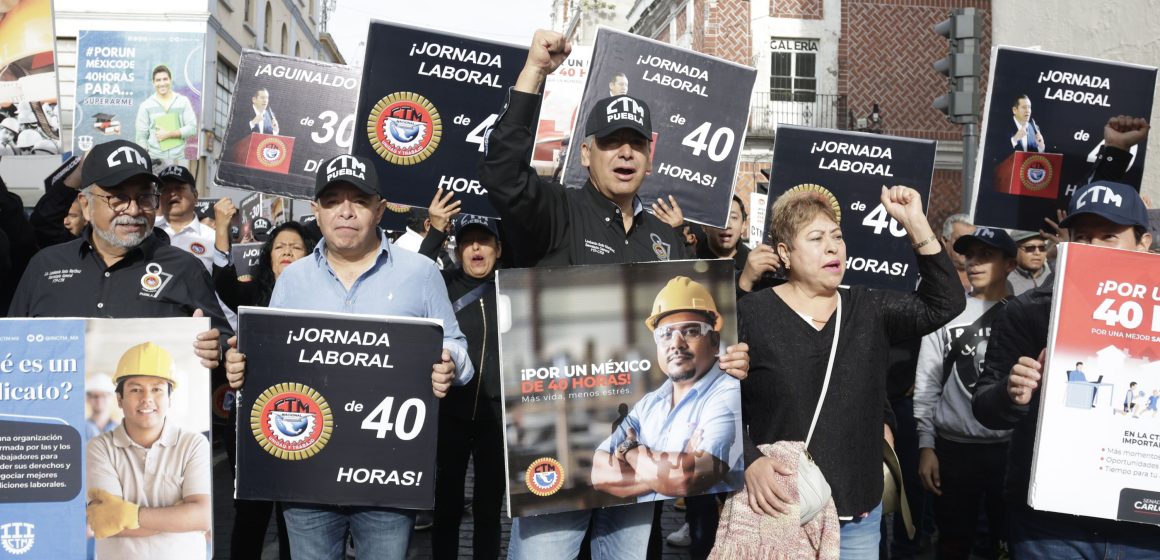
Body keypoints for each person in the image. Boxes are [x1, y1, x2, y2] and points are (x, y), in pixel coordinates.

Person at [478, 30, 749, 560]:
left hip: (640, 457)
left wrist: (725, 358)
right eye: (609, 142)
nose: (623, 152)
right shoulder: (556, 211)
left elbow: (691, 341)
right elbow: (505, 178)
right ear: (586, 152)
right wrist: (535, 70)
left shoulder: (666, 241)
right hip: (554, 452)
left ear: (651, 154)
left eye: (634, 142)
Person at [223, 153, 473, 560]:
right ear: (316, 211)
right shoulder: (293, 279)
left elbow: (460, 349)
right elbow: (267, 360)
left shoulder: (421, 273)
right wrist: (240, 366)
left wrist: (449, 362)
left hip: (389, 481)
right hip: (305, 478)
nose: (345, 211)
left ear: (378, 209)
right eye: (333, 200)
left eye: (358, 200)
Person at [739, 185, 963, 559]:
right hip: (780, 507)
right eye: (816, 238)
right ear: (785, 253)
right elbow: (719, 402)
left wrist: (915, 223)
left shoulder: (867, 306)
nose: (832, 247)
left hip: (857, 513)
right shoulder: (753, 313)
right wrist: (750, 461)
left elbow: (945, 303)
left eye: (838, 237)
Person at [972, 176, 1160, 558]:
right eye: (1082, 236)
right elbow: (985, 408)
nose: (1092, 247)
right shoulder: (1028, 311)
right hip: (1051, 525)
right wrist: (1012, 393)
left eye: (1108, 236)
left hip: (1143, 525)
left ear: (1144, 243)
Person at [9, 139, 227, 367]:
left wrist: (218, 351)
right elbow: (11, 349)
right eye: (118, 198)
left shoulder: (186, 268)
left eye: (144, 197)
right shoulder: (45, 266)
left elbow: (222, 343)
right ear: (85, 205)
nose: (133, 210)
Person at [592, 277, 742, 559]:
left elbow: (686, 478)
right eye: (666, 333)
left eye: (691, 330)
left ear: (714, 340)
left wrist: (631, 451)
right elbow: (599, 473)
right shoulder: (650, 404)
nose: (676, 342)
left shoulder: (726, 393)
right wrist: (668, 471)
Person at [914, 226, 1016, 560]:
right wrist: (926, 445)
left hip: (1009, 452)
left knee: (1004, 543)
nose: (973, 263)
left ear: (1010, 264)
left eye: (986, 256)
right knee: (953, 543)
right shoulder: (946, 312)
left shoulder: (1027, 314)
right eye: (969, 255)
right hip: (954, 450)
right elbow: (927, 384)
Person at [415, 191, 507, 560]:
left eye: (483, 241)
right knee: (447, 508)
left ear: (498, 249)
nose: (475, 249)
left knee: (489, 510)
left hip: (497, 418)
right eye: (467, 242)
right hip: (449, 416)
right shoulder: (442, 284)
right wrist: (435, 231)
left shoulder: (514, 284)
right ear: (457, 250)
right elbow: (414, 274)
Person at [86, 341, 211, 559]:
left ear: (170, 398)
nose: (147, 399)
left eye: (157, 389)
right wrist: (180, 515)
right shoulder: (100, 447)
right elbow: (105, 521)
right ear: (119, 399)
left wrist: (128, 515)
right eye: (135, 389)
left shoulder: (193, 444)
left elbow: (203, 516)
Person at [155, 165, 220, 272]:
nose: (172, 194)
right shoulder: (148, 232)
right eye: (165, 189)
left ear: (195, 195)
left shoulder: (212, 238)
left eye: (179, 188)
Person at [135, 65, 197, 164]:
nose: (162, 83)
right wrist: (146, 159)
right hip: (154, 160)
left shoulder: (183, 101)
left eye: (165, 79)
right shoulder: (145, 106)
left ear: (170, 80)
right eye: (158, 80)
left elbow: (192, 128)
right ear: (153, 83)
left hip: (180, 159)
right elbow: (141, 137)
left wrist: (168, 134)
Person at [1007, 230, 1050, 295]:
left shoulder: (1055, 277)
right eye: (1030, 248)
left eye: (1042, 247)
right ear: (1014, 249)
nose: (1037, 253)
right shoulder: (1002, 280)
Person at [941, 213, 975, 293]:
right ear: (944, 241)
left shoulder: (990, 280)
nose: (966, 246)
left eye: (972, 241)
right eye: (961, 240)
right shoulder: (931, 275)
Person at [85, 373, 119, 438]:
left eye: (104, 395)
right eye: (95, 396)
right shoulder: (79, 429)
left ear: (113, 398)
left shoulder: (121, 431)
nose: (99, 400)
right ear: (87, 399)